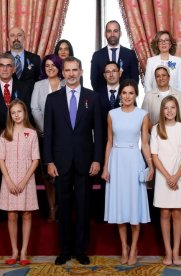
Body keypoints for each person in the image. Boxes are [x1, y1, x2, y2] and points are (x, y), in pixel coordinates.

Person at [44, 56, 103, 265]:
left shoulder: (93, 98)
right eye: (67, 70)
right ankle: (64, 250)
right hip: (60, 164)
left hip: (86, 163)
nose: (70, 74)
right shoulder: (53, 99)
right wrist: (49, 161)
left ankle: (80, 250)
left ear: (81, 72)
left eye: (74, 70)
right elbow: (48, 133)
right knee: (65, 207)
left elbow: (99, 132)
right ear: (63, 73)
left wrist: (97, 160)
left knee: (84, 207)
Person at [101, 79, 153, 266]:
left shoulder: (143, 115)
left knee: (134, 206)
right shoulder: (112, 114)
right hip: (116, 161)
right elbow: (108, 141)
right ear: (120, 95)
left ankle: (135, 247)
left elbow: (145, 143)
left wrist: (151, 165)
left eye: (131, 93)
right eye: (124, 93)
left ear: (136, 95)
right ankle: (124, 247)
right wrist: (106, 167)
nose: (127, 96)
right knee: (120, 207)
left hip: (134, 160)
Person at [0, 53, 32, 223]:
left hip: (21, 141)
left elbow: (29, 115)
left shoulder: (25, 87)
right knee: (1, 178)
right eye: (2, 65)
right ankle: (1, 213)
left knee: (20, 176)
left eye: (8, 65)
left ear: (13, 68)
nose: (5, 68)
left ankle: (20, 212)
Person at [0, 99, 39, 266]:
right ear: (10, 115)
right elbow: (1, 158)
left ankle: (23, 251)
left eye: (19, 112)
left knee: (27, 214)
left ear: (24, 112)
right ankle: (14, 250)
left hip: (26, 179)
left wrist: (23, 181)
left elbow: (35, 159)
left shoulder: (32, 133)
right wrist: (8, 179)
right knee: (12, 214)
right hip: (9, 179)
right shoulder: (5, 134)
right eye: (13, 113)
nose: (16, 115)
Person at [151, 96, 181, 266]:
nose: (169, 111)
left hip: (179, 175)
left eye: (172, 107)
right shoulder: (156, 129)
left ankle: (176, 252)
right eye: (166, 108)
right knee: (165, 213)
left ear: (177, 109)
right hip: (163, 176)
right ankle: (167, 251)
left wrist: (176, 176)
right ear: (162, 110)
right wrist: (168, 176)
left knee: (177, 213)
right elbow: (154, 156)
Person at [31, 54, 64, 222]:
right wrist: (46, 130)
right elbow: (35, 109)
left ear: (60, 66)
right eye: (47, 65)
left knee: (62, 176)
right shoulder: (38, 85)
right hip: (45, 136)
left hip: (65, 138)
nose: (50, 68)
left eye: (54, 65)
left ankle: (61, 208)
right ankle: (51, 209)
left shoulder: (67, 84)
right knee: (48, 177)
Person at [0, 27, 41, 106]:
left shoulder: (35, 59)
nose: (16, 38)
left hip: (30, 103)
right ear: (8, 39)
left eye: (19, 35)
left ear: (24, 38)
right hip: (6, 104)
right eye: (12, 35)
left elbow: (39, 82)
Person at [90, 20, 139, 93]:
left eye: (115, 31)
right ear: (105, 34)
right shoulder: (97, 56)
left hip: (126, 100)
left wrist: (125, 95)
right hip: (103, 101)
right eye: (109, 31)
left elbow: (135, 79)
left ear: (120, 33)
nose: (112, 34)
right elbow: (94, 81)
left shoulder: (130, 54)